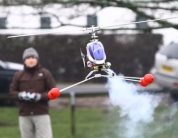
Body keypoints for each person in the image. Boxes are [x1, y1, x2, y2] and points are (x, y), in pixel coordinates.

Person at [10, 47, 56, 138]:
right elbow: (12, 92)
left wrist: (40, 96)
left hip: (41, 113)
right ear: (24, 60)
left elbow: (53, 91)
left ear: (37, 59)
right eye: (28, 58)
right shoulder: (18, 75)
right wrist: (21, 96)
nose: (30, 60)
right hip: (24, 114)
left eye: (33, 57)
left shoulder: (45, 73)